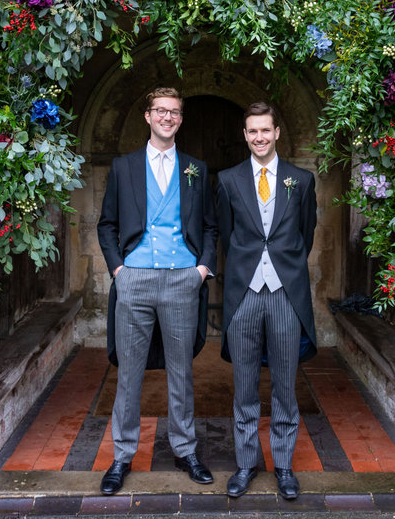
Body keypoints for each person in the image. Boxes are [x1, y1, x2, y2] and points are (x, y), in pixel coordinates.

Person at [96, 87, 218, 495]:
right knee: (129, 374)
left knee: (181, 374)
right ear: (147, 116)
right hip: (134, 280)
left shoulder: (196, 168)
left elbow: (210, 227)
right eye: (160, 111)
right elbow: (107, 224)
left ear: (181, 119)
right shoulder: (124, 166)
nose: (167, 117)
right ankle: (122, 456)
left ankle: (185, 450)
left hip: (183, 278)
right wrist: (118, 269)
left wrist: (201, 269)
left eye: (175, 112)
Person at [215, 101, 318, 500]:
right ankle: (244, 465)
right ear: (245, 135)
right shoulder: (227, 180)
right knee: (244, 387)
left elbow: (304, 234)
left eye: (265, 130)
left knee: (284, 388)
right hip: (243, 295)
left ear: (277, 133)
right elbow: (228, 235)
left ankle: (285, 466)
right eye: (252, 131)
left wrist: (284, 268)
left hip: (285, 295)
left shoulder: (301, 180)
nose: (259, 137)